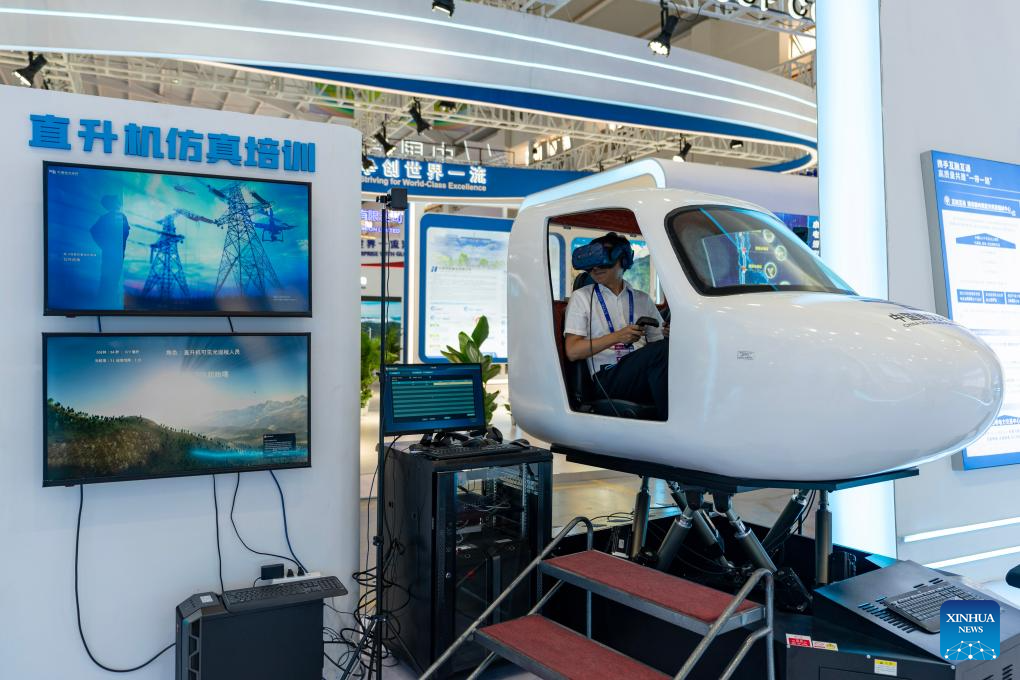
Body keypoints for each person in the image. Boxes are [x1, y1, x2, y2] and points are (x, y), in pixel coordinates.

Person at [563, 232, 669, 420]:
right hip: (606, 378)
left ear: (623, 260)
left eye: (603, 263)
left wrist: (669, 334)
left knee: (674, 350)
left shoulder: (642, 299)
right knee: (663, 352)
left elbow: (659, 344)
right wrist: (617, 337)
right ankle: (671, 426)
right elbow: (573, 351)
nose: (596, 269)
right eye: (592, 265)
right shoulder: (582, 298)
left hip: (640, 373)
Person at [89, 195, 131, 309]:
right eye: (117, 201)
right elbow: (125, 232)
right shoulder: (118, 217)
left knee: (108, 278)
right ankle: (106, 303)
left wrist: (104, 245)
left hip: (113, 253)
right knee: (111, 278)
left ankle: (106, 303)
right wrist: (105, 245)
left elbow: (94, 231)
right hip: (115, 253)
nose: (119, 203)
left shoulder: (107, 217)